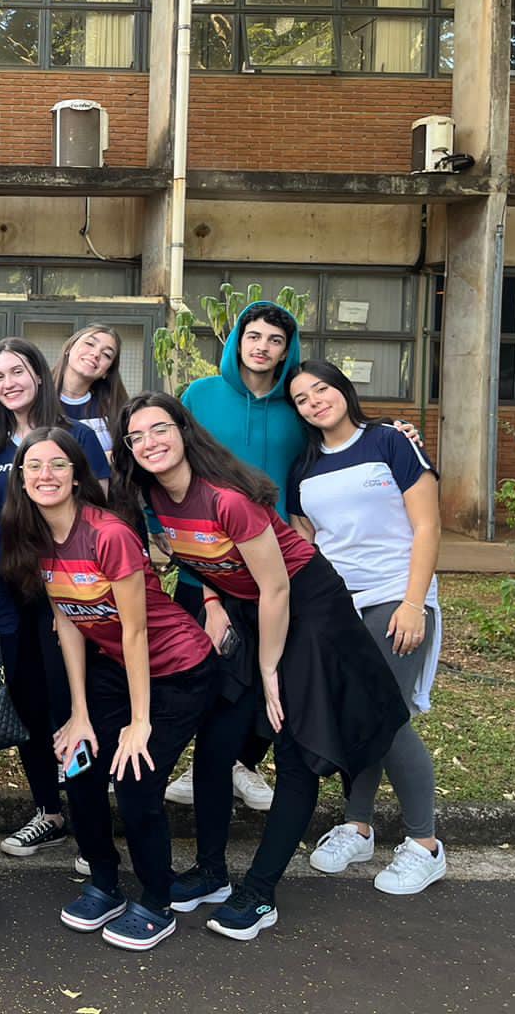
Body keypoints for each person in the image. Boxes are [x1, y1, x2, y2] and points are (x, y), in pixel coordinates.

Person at [115, 394, 409, 941]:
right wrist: (211, 603)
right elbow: (207, 567)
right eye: (137, 437)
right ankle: (211, 873)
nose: (150, 442)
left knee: (295, 741)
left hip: (309, 608)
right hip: (249, 611)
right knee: (219, 738)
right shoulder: (149, 498)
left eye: (160, 429)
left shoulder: (228, 499)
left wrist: (271, 670)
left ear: (184, 432)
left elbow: (277, 585)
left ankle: (261, 892)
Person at [0, 429, 216, 951]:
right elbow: (70, 623)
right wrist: (79, 715)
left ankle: (157, 899)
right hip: (114, 666)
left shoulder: (108, 534)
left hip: (178, 670)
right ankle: (103, 879)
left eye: (57, 465)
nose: (45, 475)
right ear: (21, 478)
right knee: (79, 764)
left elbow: (136, 631)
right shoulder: (33, 538)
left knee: (136, 778)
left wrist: (138, 724)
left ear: (76, 475)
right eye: (33, 466)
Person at [287, 362, 446, 895]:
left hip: (393, 598)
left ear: (343, 390)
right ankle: (358, 826)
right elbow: (308, 536)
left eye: (322, 389)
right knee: (356, 717)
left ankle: (425, 845)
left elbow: (427, 523)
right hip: (338, 606)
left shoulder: (391, 442)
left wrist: (414, 602)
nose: (314, 402)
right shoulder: (304, 464)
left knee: (388, 717)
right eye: (303, 399)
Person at [163, 301, 303, 813]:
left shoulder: (296, 402)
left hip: (276, 561)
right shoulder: (200, 396)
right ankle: (201, 764)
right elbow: (169, 467)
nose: (262, 347)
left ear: (287, 350)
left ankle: (241, 763)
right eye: (254, 336)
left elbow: (335, 438)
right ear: (237, 341)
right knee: (207, 666)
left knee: (275, 664)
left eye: (274, 340)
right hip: (206, 558)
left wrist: (399, 431)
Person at [0, 337, 110, 859]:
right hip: (13, 593)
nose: (9, 383)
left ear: (40, 374)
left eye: (18, 371)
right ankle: (48, 812)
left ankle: (88, 821)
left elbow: (104, 508)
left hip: (71, 591)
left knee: (70, 700)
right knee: (28, 701)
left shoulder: (76, 435)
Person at [53, 324, 128, 463]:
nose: (95, 354)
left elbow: (126, 455)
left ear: (107, 371)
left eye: (107, 354)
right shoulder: (37, 398)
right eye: (89, 343)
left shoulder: (116, 409)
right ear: (69, 348)